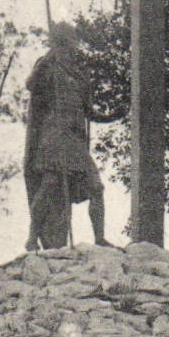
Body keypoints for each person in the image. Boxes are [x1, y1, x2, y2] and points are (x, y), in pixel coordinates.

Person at [23, 22, 124, 250]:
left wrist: (112, 116)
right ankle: (32, 238)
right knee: (50, 185)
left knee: (96, 187)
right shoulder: (48, 65)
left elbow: (89, 112)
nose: (71, 43)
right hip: (54, 135)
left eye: (71, 38)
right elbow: (31, 85)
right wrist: (45, 61)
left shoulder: (79, 75)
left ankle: (99, 238)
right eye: (67, 38)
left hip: (75, 139)